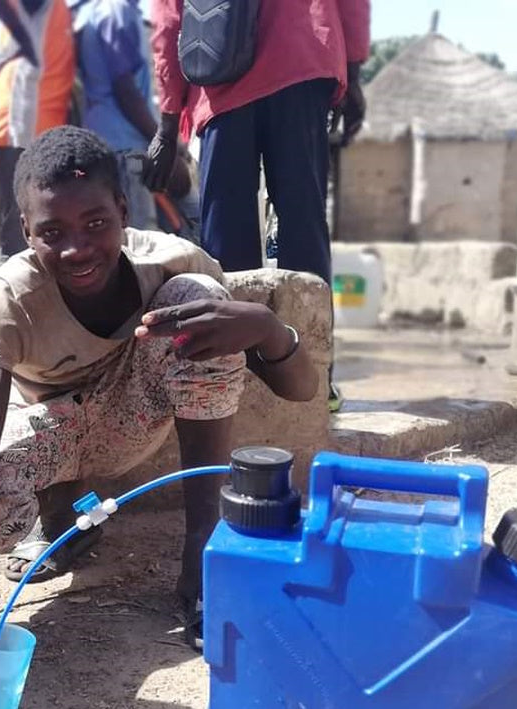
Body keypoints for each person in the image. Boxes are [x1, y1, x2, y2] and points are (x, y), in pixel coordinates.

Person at [0, 126, 318, 709]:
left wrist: (265, 325)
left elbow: (300, 389)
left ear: (123, 213)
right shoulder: (9, 298)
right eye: (52, 232)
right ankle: (67, 522)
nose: (78, 247)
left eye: (96, 223)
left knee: (196, 295)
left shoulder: (171, 264)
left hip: (134, 417)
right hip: (54, 432)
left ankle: (201, 557)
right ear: (25, 233)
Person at [145, 0, 370, 411]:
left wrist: (167, 117)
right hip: (303, 61)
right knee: (304, 227)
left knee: (224, 235)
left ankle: (232, 376)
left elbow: (168, 19)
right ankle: (314, 379)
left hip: (221, 73)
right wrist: (352, 74)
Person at [0, 0, 75, 264]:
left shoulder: (59, 10)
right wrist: (23, 36)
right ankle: (7, 296)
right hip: (20, 123)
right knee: (18, 226)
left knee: (35, 218)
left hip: (39, 125)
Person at [70, 0, 158, 229]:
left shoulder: (94, 12)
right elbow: (124, 89)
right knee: (138, 241)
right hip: (125, 146)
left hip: (107, 143)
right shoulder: (116, 11)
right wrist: (161, 140)